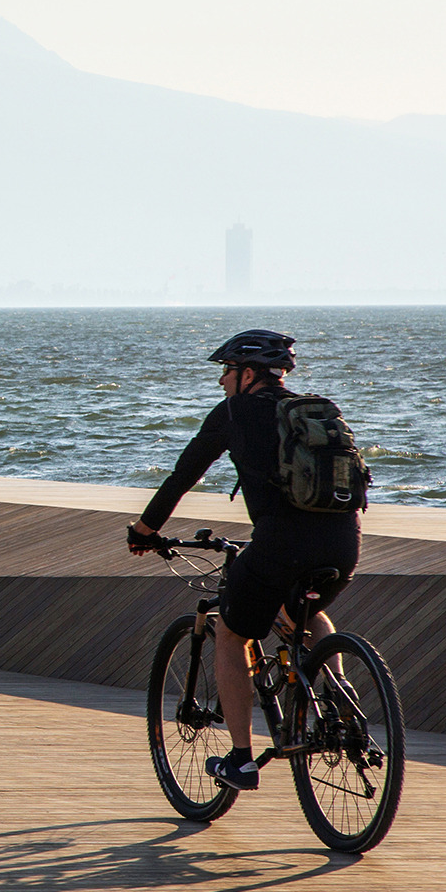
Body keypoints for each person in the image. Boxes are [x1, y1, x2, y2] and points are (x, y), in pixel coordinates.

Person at [126, 330, 361, 791]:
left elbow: (182, 476)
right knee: (308, 614)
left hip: (281, 545)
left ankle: (240, 760)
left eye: (226, 372)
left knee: (233, 632)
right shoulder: (314, 414)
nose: (221, 383)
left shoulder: (234, 412)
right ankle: (340, 702)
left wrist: (144, 532)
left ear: (247, 374)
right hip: (343, 544)